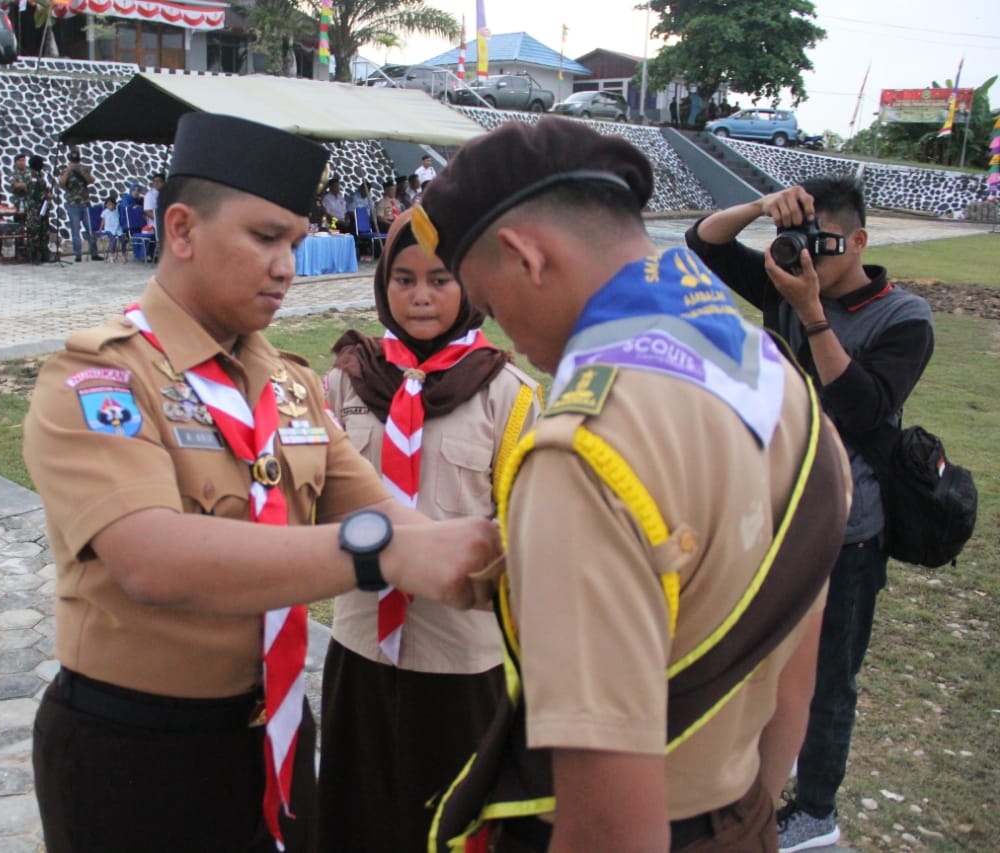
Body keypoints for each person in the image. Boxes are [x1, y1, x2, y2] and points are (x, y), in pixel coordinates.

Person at [21, 112, 503, 853]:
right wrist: (376, 553)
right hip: (138, 749)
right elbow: (151, 557)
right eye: (265, 237)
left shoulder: (288, 385)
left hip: (274, 727)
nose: (286, 266)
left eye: (297, 244)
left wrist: (507, 555)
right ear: (181, 231)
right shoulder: (100, 379)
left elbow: (389, 514)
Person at [414, 118, 852, 852]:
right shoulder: (776, 374)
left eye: (488, 307)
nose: (501, 336)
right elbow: (795, 685)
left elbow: (608, 828)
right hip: (744, 814)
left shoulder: (583, 451)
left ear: (525, 256)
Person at [686, 178, 934, 852]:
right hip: (770, 512)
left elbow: (861, 407)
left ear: (858, 241)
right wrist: (764, 208)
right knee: (766, 655)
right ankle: (771, 761)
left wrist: (813, 313)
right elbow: (701, 241)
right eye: (798, 238)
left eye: (823, 243)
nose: (805, 254)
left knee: (831, 677)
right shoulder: (784, 278)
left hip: (850, 526)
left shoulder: (903, 317)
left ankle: (817, 807)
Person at [316, 210, 541, 852]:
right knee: (356, 810)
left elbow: (522, 529)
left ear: (471, 286)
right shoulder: (343, 382)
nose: (420, 295)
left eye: (441, 279)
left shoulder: (508, 395)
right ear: (382, 284)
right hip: (360, 644)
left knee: (450, 821)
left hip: (461, 658)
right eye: (404, 278)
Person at [59, 150, 101, 262]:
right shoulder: (65, 170)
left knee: (90, 229)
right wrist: (69, 170)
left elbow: (91, 180)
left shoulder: (84, 169)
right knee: (75, 230)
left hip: (85, 203)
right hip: (72, 204)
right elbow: (61, 184)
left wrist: (81, 170)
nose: (75, 162)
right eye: (73, 160)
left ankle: (94, 253)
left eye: (76, 159)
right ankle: (78, 254)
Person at [24, 155, 53, 263]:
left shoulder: (39, 175)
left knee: (44, 230)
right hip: (34, 208)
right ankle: (34, 255)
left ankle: (44, 254)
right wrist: (46, 195)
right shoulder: (31, 176)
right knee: (34, 231)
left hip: (43, 207)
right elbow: (33, 193)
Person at [95, 194, 124, 259]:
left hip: (117, 228)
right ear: (106, 205)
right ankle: (112, 255)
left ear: (114, 204)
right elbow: (103, 221)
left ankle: (123, 254)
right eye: (108, 204)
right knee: (113, 239)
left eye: (111, 204)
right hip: (108, 229)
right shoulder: (105, 212)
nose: (110, 206)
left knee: (123, 239)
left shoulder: (117, 212)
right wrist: (100, 229)